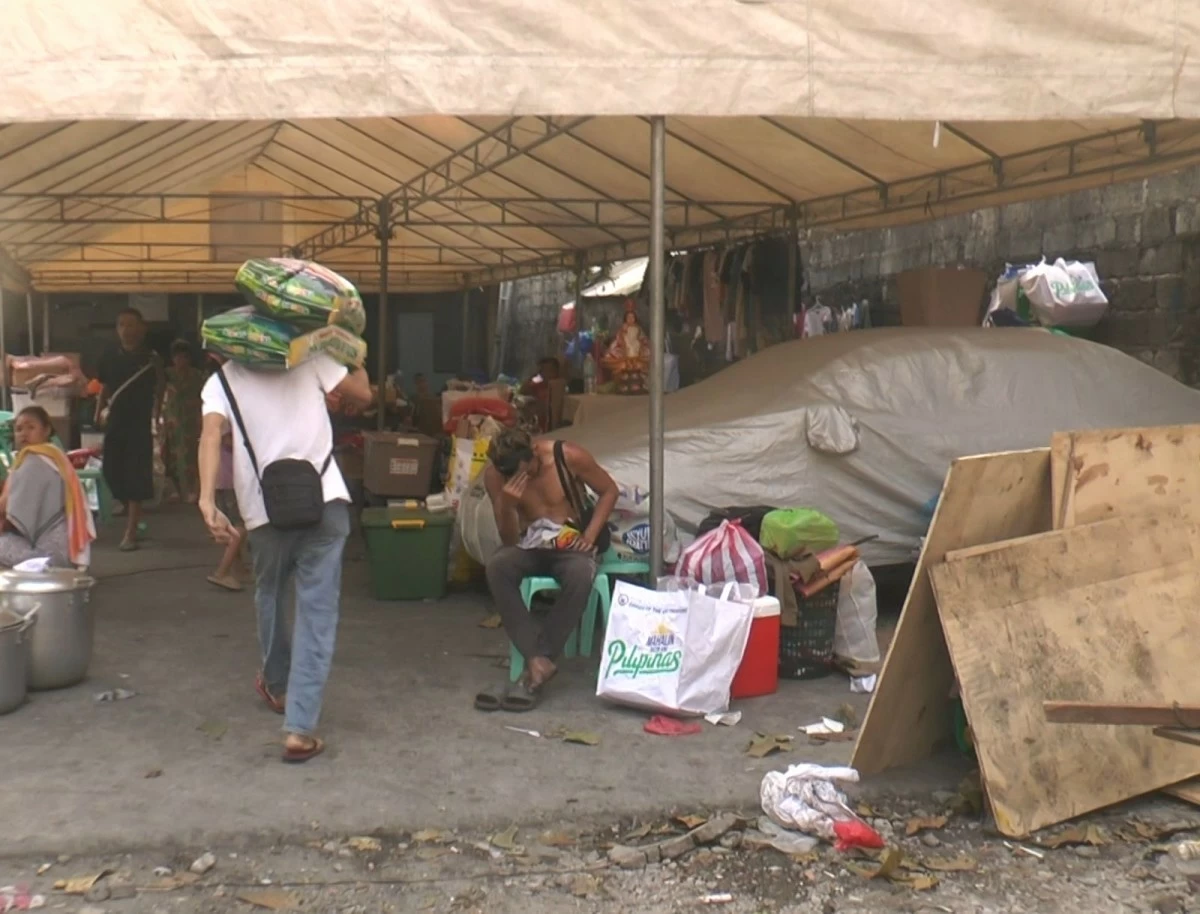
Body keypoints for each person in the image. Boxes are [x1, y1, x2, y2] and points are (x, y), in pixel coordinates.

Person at [197, 354, 372, 763]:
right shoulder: (311, 358)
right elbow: (363, 394)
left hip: (265, 511)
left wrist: (206, 499)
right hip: (324, 504)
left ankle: (277, 686)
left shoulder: (220, 381)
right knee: (317, 612)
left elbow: (209, 437)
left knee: (270, 592)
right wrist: (352, 352)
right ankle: (299, 728)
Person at [477, 427, 618, 712]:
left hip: (570, 544)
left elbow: (609, 491)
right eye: (512, 476)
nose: (522, 480)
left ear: (534, 453)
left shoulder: (566, 456)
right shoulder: (495, 477)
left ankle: (537, 661)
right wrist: (508, 505)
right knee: (497, 566)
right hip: (530, 545)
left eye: (525, 472)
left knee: (580, 574)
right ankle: (538, 662)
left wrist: (589, 536)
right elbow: (508, 539)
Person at [96, 308, 163, 551]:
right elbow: (104, 386)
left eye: (132, 324)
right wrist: (98, 411)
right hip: (115, 421)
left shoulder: (151, 358)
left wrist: (158, 415)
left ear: (142, 328)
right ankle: (134, 513)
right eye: (122, 325)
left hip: (139, 423)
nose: (127, 330)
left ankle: (131, 531)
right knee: (111, 470)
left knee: (136, 474)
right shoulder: (109, 356)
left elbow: (161, 386)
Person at [0, 406, 95, 568]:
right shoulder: (53, 455)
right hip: (65, 549)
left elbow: (12, 514)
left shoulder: (34, 462)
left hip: (48, 556)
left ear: (46, 430)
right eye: (19, 429)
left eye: (31, 427)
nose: (24, 433)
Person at [161, 340, 203, 504]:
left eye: (184, 357)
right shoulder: (167, 374)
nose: (181, 361)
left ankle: (193, 490)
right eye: (178, 357)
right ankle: (178, 490)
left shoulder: (197, 376)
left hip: (191, 421)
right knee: (171, 458)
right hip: (172, 422)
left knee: (192, 458)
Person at [207, 433, 246, 592]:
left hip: (221, 478)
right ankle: (222, 571)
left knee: (232, 523)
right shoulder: (225, 418)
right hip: (231, 479)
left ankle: (239, 567)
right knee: (241, 526)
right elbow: (229, 440)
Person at [601, 300, 651, 394]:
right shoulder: (623, 328)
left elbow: (643, 337)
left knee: (644, 358)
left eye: (632, 317)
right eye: (629, 317)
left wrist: (644, 342)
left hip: (637, 348)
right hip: (626, 347)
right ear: (625, 318)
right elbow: (619, 337)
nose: (631, 319)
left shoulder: (638, 328)